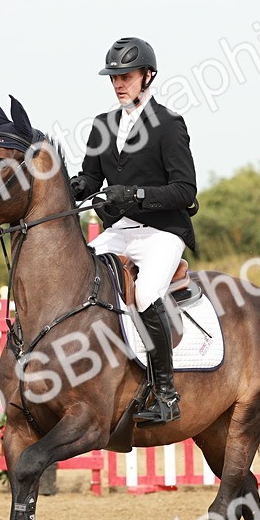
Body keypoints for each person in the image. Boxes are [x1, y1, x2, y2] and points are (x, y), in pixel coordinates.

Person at [69, 37, 198, 426]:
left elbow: (186, 190)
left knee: (144, 294)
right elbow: (91, 179)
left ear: (147, 76)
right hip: (121, 230)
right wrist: (70, 187)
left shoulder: (169, 125)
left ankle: (166, 393)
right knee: (77, 278)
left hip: (162, 231)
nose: (119, 84)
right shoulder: (103, 125)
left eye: (126, 76)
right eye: (114, 78)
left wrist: (137, 194)